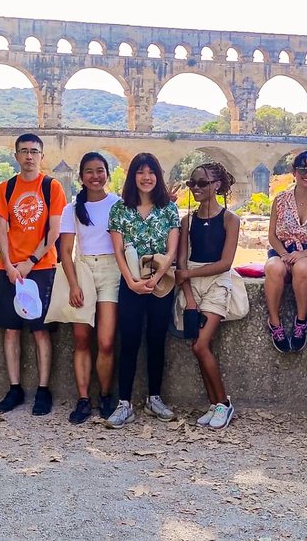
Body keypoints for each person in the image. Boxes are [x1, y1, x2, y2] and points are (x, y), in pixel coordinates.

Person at [0, 133, 67, 416]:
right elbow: (2, 229)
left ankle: (43, 389)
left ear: (41, 156)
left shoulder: (51, 186)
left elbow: (54, 230)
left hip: (42, 267)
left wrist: (30, 261)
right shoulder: (6, 188)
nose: (29, 156)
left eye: (34, 151)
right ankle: (15, 388)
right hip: (9, 270)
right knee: (11, 330)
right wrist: (9, 265)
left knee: (40, 330)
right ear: (16, 155)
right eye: (23, 151)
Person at [106, 152, 180, 428]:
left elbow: (172, 250)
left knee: (157, 340)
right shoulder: (120, 209)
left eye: (151, 172)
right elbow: (118, 251)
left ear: (158, 177)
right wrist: (132, 281)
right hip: (131, 283)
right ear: (132, 176)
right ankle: (124, 402)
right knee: (130, 340)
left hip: (162, 283)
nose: (146, 178)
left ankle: (154, 398)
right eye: (140, 172)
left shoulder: (169, 209)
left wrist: (157, 276)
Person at [55, 152, 122, 424]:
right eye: (90, 171)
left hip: (111, 272)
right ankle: (83, 398)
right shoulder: (71, 209)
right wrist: (73, 284)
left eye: (100, 170)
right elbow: (66, 250)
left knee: (106, 341)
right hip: (82, 271)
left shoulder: (119, 205)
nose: (96, 176)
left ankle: (105, 394)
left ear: (107, 173)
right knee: (81, 339)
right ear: (81, 177)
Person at [176, 161, 242, 429]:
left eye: (202, 183)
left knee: (200, 345)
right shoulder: (186, 220)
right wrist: (189, 298)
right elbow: (181, 261)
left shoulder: (230, 219)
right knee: (201, 347)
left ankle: (224, 404)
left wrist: (188, 277)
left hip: (216, 282)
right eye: (192, 183)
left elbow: (226, 262)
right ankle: (214, 405)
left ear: (216, 185)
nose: (195, 188)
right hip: (192, 284)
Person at [264, 151, 307, 353]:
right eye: (303, 169)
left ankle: (301, 322)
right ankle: (275, 323)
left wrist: (303, 254)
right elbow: (272, 235)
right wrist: (283, 254)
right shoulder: (280, 200)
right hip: (281, 251)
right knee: (273, 268)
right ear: (294, 171)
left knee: (301, 269)